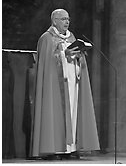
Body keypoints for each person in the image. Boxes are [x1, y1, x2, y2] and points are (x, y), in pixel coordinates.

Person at [31, 9, 100, 160]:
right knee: (55, 114)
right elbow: (46, 63)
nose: (67, 22)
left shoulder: (72, 37)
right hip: (55, 86)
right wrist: (63, 55)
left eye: (68, 19)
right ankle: (54, 149)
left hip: (73, 85)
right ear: (54, 21)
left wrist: (79, 56)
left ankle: (71, 148)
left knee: (74, 114)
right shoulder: (47, 38)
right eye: (63, 19)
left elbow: (77, 59)